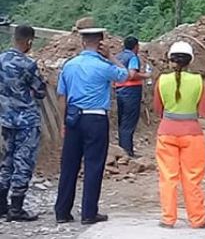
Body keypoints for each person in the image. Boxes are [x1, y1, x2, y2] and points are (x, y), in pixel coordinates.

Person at [54, 19, 128, 225]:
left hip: (73, 118)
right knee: (94, 165)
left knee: (69, 166)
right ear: (101, 42)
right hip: (95, 118)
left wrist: (63, 123)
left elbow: (62, 97)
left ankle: (62, 212)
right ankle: (88, 213)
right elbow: (124, 75)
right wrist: (111, 56)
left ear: (82, 42)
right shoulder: (103, 65)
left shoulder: (69, 66)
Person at [153, 41, 205, 229]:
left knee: (167, 177)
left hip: (166, 133)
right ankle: (197, 219)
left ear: (170, 61)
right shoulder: (198, 81)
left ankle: (167, 219)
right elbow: (204, 111)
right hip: (192, 135)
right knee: (192, 177)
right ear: (190, 61)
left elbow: (157, 110)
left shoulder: (162, 80)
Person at [0, 25, 46, 221]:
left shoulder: (1, 60)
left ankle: (2, 206)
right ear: (28, 41)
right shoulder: (28, 64)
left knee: (6, 162)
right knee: (23, 163)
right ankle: (17, 209)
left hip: (5, 119)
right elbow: (41, 91)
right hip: (25, 120)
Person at [113, 36, 150, 157]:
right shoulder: (133, 57)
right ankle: (127, 152)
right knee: (129, 122)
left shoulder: (118, 57)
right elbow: (132, 74)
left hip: (119, 90)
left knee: (122, 121)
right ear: (136, 46)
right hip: (131, 91)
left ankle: (122, 150)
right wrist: (145, 75)